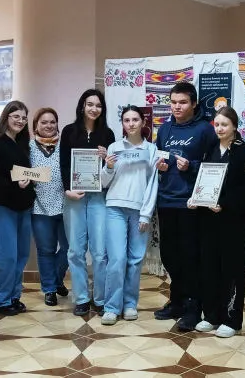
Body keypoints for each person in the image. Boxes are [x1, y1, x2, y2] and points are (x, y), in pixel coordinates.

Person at [153, 82, 217, 331]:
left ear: (193, 104)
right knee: (169, 255)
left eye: (182, 102)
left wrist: (191, 166)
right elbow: (160, 159)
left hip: (191, 203)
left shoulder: (205, 130)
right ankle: (177, 301)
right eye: (173, 102)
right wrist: (160, 167)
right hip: (166, 200)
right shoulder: (165, 129)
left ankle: (193, 307)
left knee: (190, 257)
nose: (177, 107)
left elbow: (215, 166)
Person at [192, 107, 245, 338]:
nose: (219, 128)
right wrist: (196, 198)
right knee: (209, 266)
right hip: (208, 217)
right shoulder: (210, 148)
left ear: (234, 126)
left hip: (233, 219)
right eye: (216, 124)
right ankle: (211, 315)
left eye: (224, 124)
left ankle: (232, 319)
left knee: (232, 268)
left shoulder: (243, 150)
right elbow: (203, 179)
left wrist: (225, 204)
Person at [100, 105, 158, 325]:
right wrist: (108, 167)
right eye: (127, 120)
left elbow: (153, 184)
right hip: (115, 207)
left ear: (142, 122)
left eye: (135, 119)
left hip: (139, 210)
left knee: (135, 259)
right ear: (122, 123)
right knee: (116, 259)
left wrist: (146, 214)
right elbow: (104, 182)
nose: (131, 124)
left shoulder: (151, 149)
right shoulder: (114, 147)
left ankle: (130, 304)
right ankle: (111, 307)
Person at [59, 89, 115, 316]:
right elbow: (63, 164)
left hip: (98, 197)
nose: (94, 109)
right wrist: (67, 189)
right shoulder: (69, 131)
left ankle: (99, 299)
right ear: (82, 106)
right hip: (75, 197)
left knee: (100, 252)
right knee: (75, 251)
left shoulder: (108, 134)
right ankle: (81, 298)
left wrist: (106, 158)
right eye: (90, 104)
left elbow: (111, 169)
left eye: (98, 105)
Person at [0, 101, 35, 316]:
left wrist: (30, 180)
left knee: (21, 254)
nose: (20, 121)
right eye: (16, 116)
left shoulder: (23, 143)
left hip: (24, 205)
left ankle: (13, 296)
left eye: (23, 118)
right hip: (3, 205)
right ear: (6, 117)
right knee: (7, 255)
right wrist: (15, 183)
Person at [29, 107, 69, 307]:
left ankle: (57, 279)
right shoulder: (28, 147)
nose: (49, 125)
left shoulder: (65, 144)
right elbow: (21, 172)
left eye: (52, 122)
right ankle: (50, 289)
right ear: (36, 125)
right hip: (39, 207)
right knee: (46, 250)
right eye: (44, 122)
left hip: (67, 205)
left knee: (70, 248)